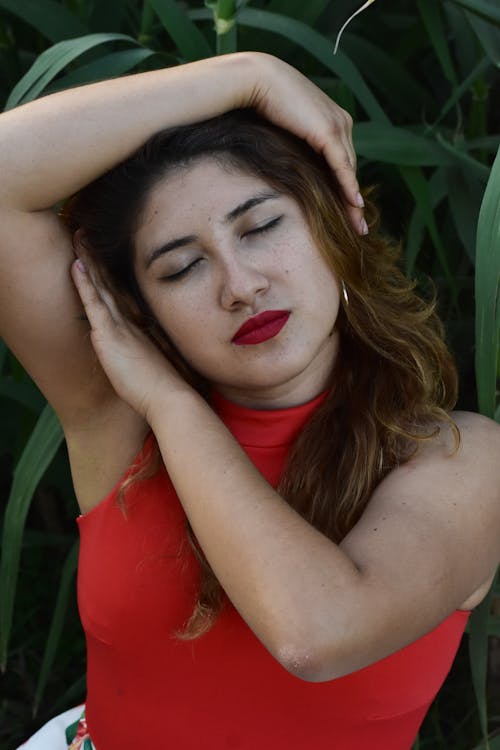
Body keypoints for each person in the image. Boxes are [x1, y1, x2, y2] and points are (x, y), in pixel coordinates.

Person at [0, 51, 498, 750]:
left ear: (331, 222)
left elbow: (314, 634)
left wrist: (174, 405)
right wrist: (244, 75)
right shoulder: (115, 414)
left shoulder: (460, 459)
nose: (239, 285)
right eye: (182, 267)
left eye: (261, 226)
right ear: (144, 311)